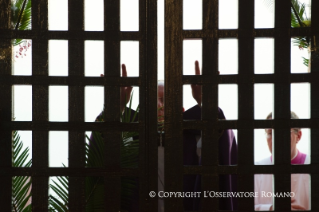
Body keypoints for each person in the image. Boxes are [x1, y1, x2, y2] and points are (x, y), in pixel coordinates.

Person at [95, 61, 238, 211]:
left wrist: (206, 101)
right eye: (152, 101)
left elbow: (221, 142)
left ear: (181, 110)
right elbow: (100, 151)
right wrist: (117, 107)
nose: (159, 105)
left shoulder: (197, 137)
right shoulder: (129, 139)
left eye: (163, 100)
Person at [254, 112, 310, 211]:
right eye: (270, 133)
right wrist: (271, 209)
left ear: (299, 136)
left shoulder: (312, 165)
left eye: (284, 131)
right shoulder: (257, 169)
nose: (276, 138)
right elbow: (244, 206)